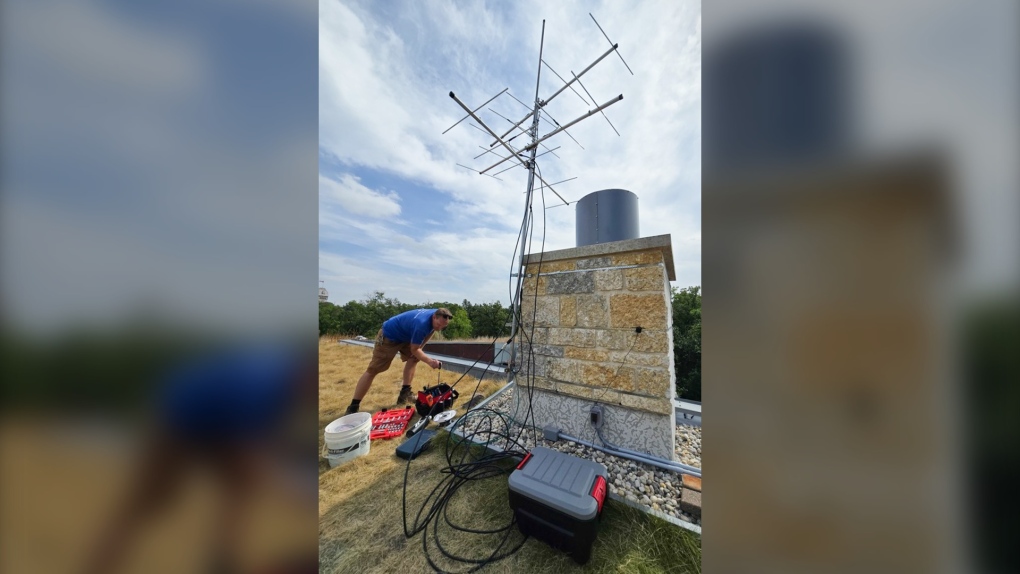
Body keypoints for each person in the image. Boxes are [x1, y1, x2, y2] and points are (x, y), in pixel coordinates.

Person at [345, 307, 452, 415]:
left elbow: (431, 331)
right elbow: (415, 349)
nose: (439, 329)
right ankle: (353, 406)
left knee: (414, 359)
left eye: (443, 326)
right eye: (439, 325)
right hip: (389, 336)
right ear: (434, 317)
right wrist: (430, 361)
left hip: (406, 336)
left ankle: (405, 393)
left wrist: (421, 347)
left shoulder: (437, 316)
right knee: (373, 370)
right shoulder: (421, 324)